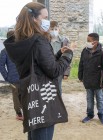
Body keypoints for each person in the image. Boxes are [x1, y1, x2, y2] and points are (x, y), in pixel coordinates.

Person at [3, 2, 75, 140]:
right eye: (45, 17)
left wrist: (58, 54)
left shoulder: (22, 40)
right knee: (43, 134)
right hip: (44, 97)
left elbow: (38, 64)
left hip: (30, 94)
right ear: (34, 18)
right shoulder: (39, 41)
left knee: (34, 134)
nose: (47, 21)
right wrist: (68, 55)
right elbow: (53, 71)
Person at [78, 33, 103, 124]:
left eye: (89, 41)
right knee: (89, 98)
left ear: (95, 42)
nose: (87, 42)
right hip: (87, 80)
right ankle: (90, 114)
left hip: (98, 82)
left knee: (99, 98)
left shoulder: (102, 53)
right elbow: (81, 64)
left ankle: (101, 115)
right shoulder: (84, 51)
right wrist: (80, 76)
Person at [0, 30, 23, 120]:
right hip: (13, 78)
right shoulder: (4, 51)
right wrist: (6, 77)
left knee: (22, 94)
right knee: (16, 95)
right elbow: (1, 65)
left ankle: (23, 112)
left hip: (23, 76)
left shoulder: (21, 49)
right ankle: (19, 114)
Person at [49, 21, 71, 94]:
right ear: (48, 29)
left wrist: (66, 72)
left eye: (56, 29)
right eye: (52, 29)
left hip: (59, 67)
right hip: (48, 67)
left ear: (59, 29)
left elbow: (67, 56)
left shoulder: (64, 41)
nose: (54, 31)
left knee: (58, 88)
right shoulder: (45, 40)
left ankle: (58, 104)